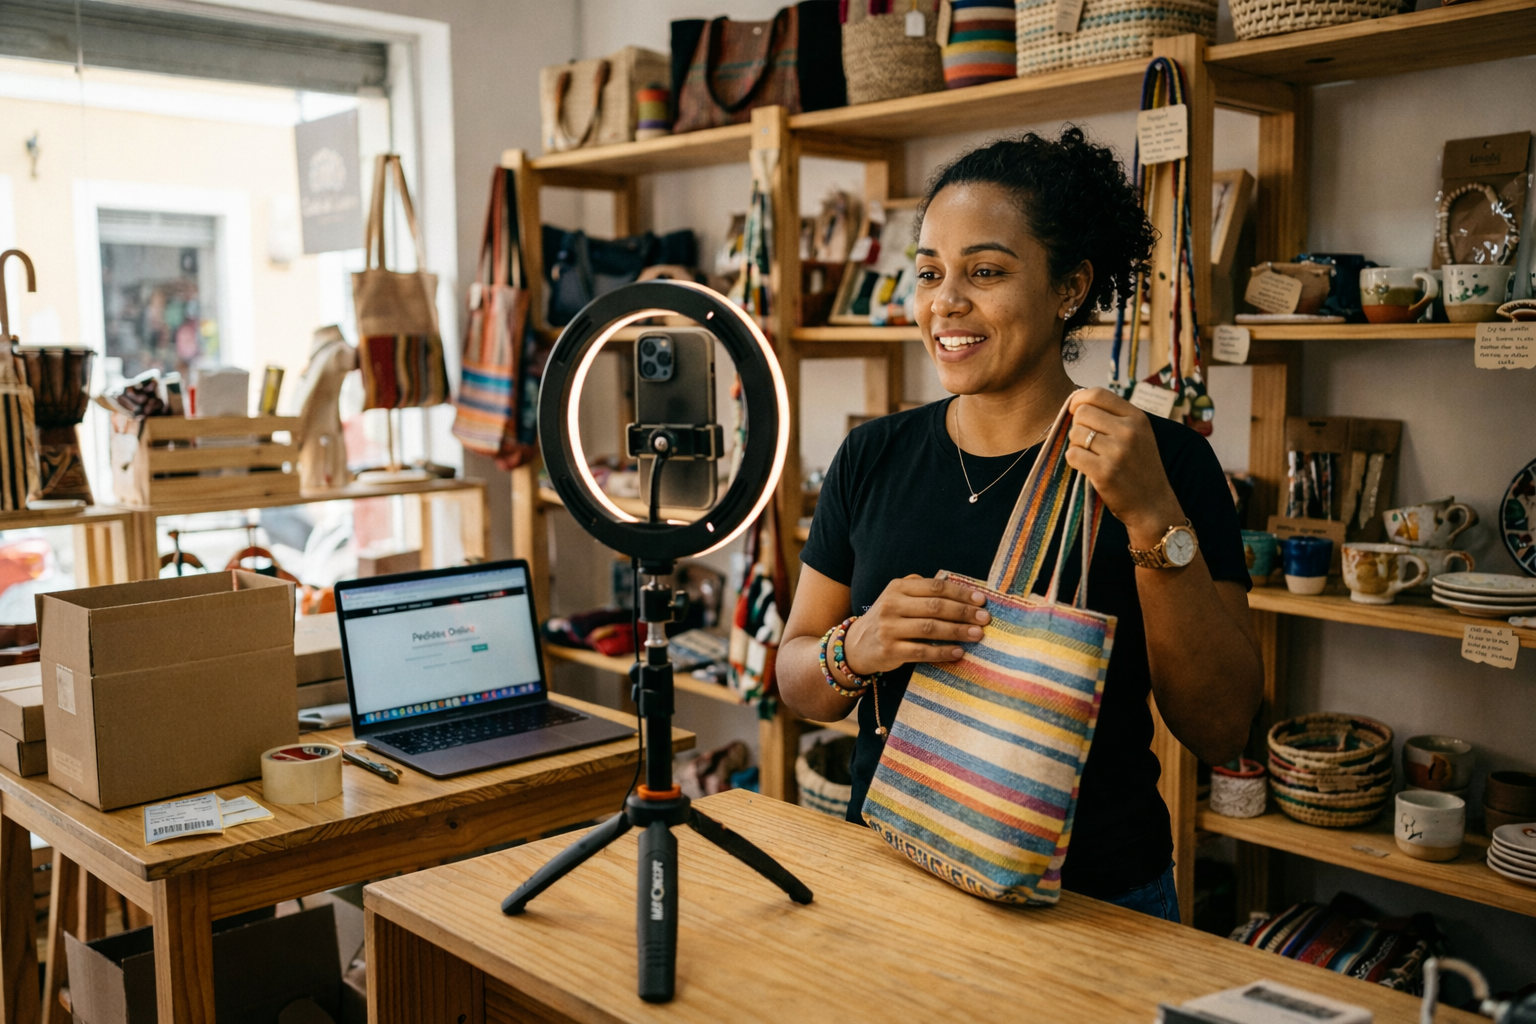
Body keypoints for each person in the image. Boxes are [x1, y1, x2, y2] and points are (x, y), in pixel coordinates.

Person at [779, 128, 1264, 921]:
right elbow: (798, 681)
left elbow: (1219, 729)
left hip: (1096, 903)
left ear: (1069, 289)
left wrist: (1150, 514)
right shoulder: (872, 456)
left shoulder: (1161, 462)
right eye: (930, 272)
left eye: (987, 272)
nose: (946, 303)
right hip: (894, 869)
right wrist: (856, 645)